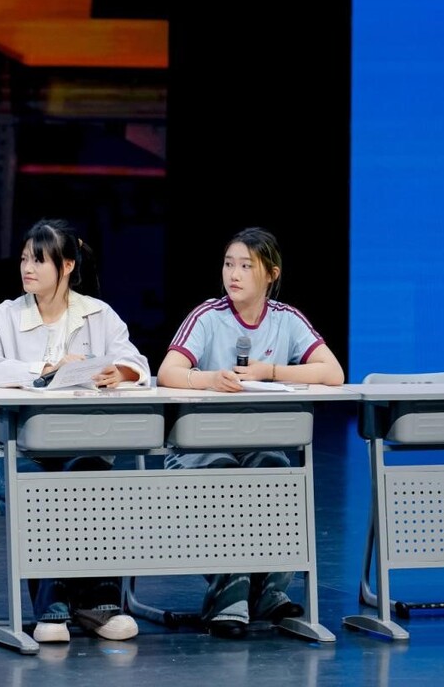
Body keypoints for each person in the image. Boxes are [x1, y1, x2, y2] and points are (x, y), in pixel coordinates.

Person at [0, 218, 151, 644]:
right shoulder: (2, 319)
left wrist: (118, 372)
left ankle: (100, 603)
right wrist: (45, 368)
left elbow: (136, 363)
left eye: (39, 260)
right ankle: (52, 609)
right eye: (24, 259)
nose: (27, 268)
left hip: (75, 447)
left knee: (93, 479)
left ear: (67, 266)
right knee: (45, 493)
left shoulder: (98, 315)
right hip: (6, 455)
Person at [156, 226, 345, 638]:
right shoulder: (207, 316)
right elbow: (168, 372)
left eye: (245, 266)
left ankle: (268, 593)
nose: (234, 274)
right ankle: (229, 600)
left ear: (271, 274)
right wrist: (208, 380)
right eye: (229, 264)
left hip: (258, 442)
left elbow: (332, 372)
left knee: (276, 473)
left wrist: (271, 371)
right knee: (226, 480)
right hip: (202, 447)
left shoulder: (287, 319)